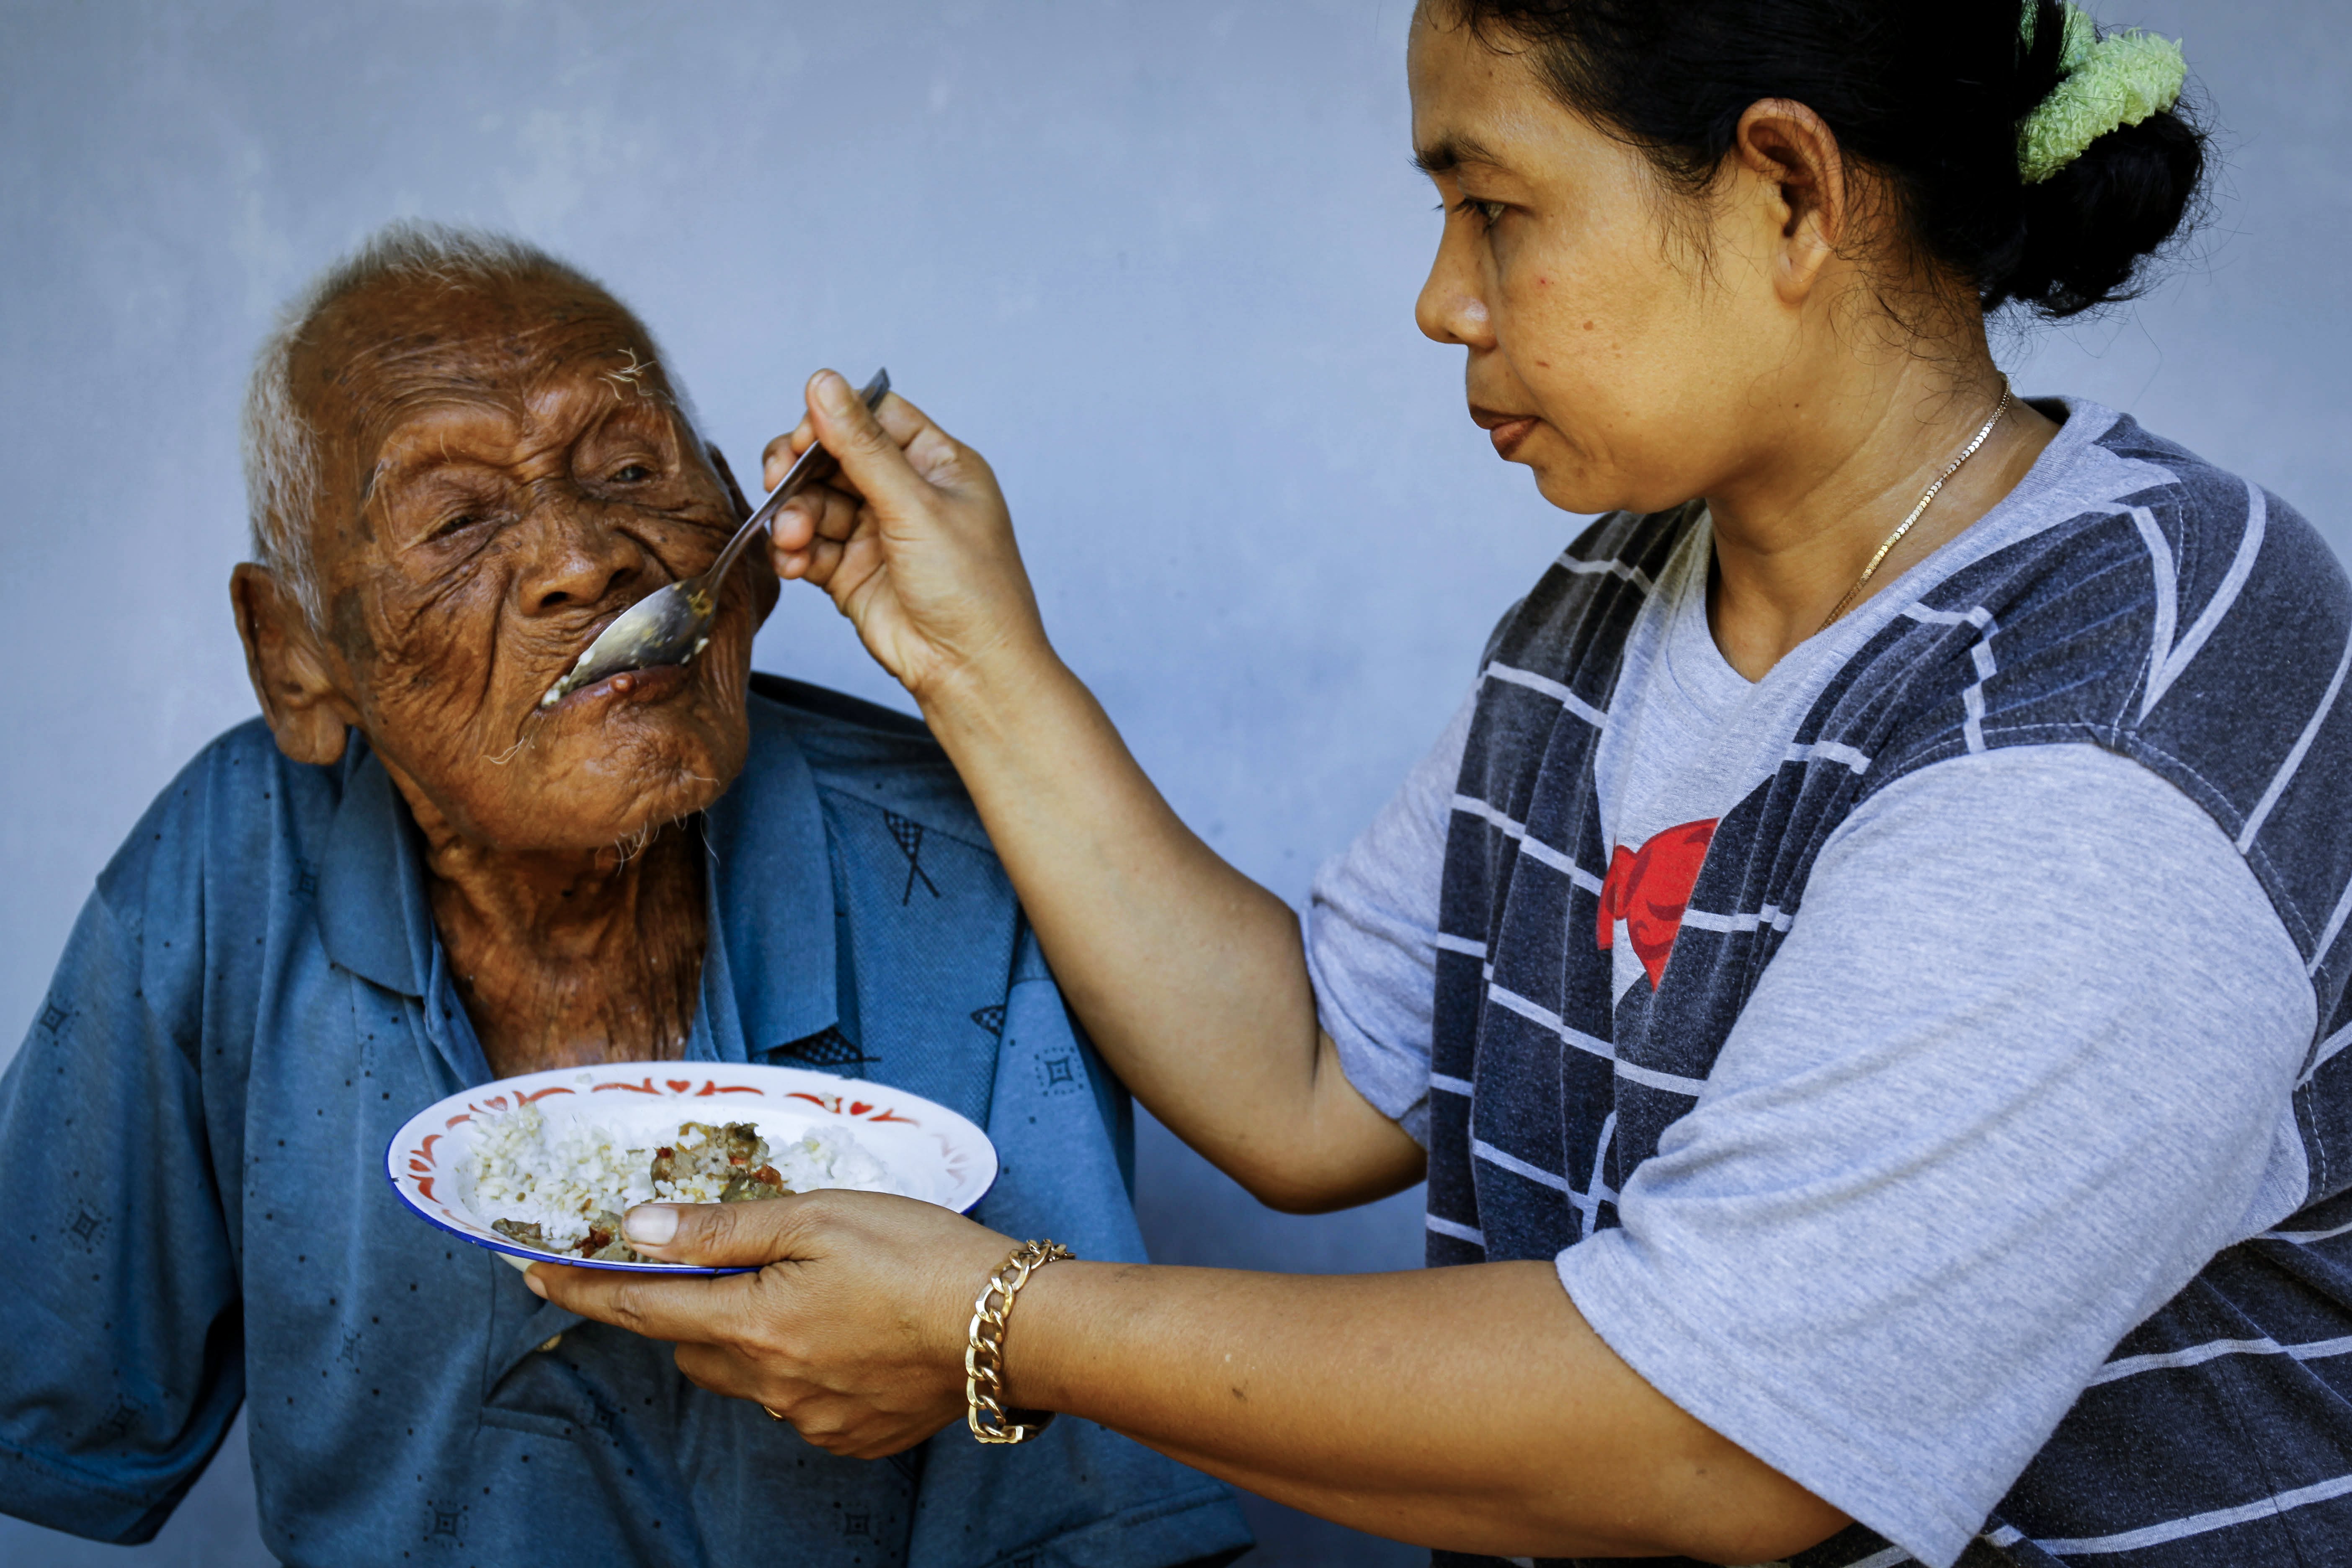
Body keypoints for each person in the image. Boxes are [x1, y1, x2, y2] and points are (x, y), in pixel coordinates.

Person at [531, 3, 2352, 1565]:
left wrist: (1001, 1323)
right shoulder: (1616, 607)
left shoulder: (2123, 703)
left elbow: (1716, 1436)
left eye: (1494, 209)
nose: (1438, 301)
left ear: (1786, 192)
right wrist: (970, 656)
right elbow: (1316, 1076)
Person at [0, 222, 1251, 1568]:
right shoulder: (224, 868)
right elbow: (57, 1379)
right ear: (297, 658)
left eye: (633, 470)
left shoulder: (959, 856)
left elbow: (1085, 1506)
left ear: (753, 543)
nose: (584, 558)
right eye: (459, 517)